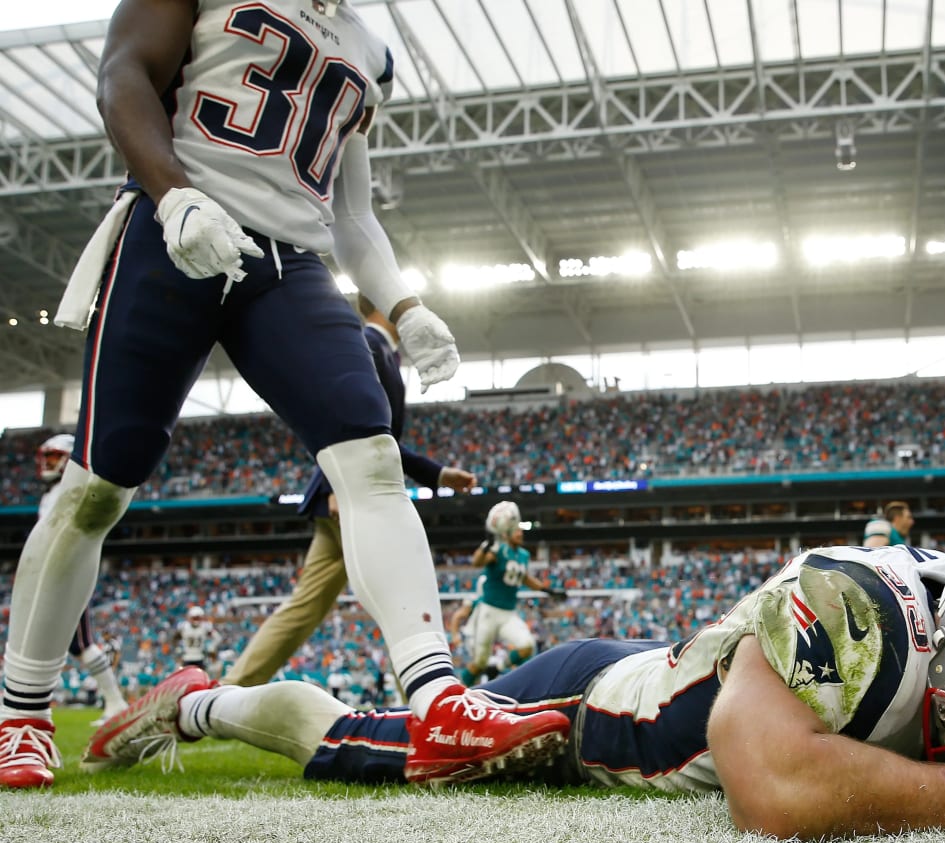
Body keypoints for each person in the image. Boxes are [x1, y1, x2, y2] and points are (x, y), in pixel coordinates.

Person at [0, 0, 569, 790]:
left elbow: (353, 212)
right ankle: (20, 712)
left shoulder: (369, 47)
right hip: (177, 230)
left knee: (371, 460)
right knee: (97, 487)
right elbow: (122, 76)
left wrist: (404, 307)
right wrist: (173, 194)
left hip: (288, 263)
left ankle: (439, 701)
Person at [84, 528, 945, 840]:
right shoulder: (858, 603)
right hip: (587, 710)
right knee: (371, 746)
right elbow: (778, 791)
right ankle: (196, 700)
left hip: (681, 682)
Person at [222, 298, 476, 687]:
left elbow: (378, 439)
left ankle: (228, 693)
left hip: (350, 494)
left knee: (305, 608)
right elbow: (336, 418)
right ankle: (434, 702)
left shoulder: (381, 352)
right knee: (403, 593)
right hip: (353, 495)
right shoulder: (367, 346)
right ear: (383, 305)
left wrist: (439, 475)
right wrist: (336, 486)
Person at [33, 434, 129, 727]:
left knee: (83, 644)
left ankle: (115, 703)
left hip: (65, 573)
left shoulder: (69, 490)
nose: (47, 464)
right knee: (75, 646)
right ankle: (114, 702)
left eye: (53, 457)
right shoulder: (53, 493)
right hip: (54, 574)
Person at [456, 501, 565, 686]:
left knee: (526, 646)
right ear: (506, 532)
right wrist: (486, 545)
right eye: (516, 530)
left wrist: (548, 590)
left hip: (508, 613)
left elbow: (526, 579)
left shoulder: (523, 555)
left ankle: (497, 668)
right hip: (488, 611)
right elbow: (477, 562)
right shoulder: (498, 549)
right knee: (479, 662)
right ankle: (458, 692)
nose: (520, 532)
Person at [175, 607, 218, 674]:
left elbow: (217, 637)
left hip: (199, 657)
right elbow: (175, 639)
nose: (196, 620)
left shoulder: (205, 627)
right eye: (194, 618)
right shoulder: (184, 627)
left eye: (198, 618)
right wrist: (178, 648)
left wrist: (211, 647)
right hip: (189, 657)